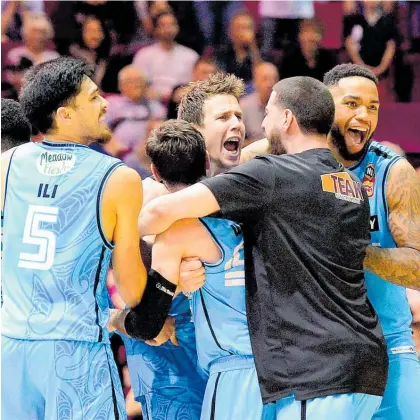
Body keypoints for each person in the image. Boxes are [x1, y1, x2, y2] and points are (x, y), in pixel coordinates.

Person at [138, 76, 388, 419]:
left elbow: (153, 218)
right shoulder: (345, 184)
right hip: (226, 366)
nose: (242, 124)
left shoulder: (266, 177)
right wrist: (158, 251)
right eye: (223, 117)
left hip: (292, 371)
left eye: (241, 115)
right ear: (193, 132)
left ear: (285, 119)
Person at [1, 56, 163, 420]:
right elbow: (132, 291)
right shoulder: (117, 177)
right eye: (93, 98)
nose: (105, 103)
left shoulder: (7, 164)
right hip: (74, 350)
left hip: (10, 348)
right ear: (65, 115)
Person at [110, 119, 273, 420]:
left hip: (225, 370)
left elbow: (148, 325)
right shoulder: (258, 210)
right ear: (208, 162)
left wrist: (115, 319)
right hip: (279, 366)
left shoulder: (171, 229)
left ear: (156, 173)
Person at [323, 63, 420, 420]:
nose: (364, 114)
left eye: (373, 106)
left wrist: (357, 252)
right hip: (316, 353)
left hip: (388, 346)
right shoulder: (287, 163)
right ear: (323, 105)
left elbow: (419, 270)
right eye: (351, 104)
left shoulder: (394, 172)